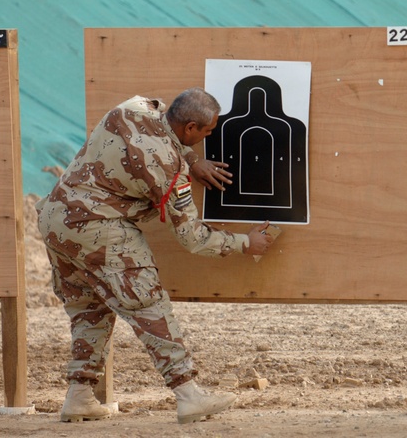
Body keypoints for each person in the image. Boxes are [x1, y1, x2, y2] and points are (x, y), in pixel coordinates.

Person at [36, 88, 274, 424]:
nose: (209, 137)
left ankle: (79, 395)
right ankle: (189, 396)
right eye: (206, 132)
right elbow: (192, 237)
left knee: (89, 309)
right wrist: (245, 243)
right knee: (149, 306)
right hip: (99, 227)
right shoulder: (167, 167)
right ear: (190, 127)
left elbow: (159, 113)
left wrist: (192, 160)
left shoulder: (134, 107)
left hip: (55, 217)